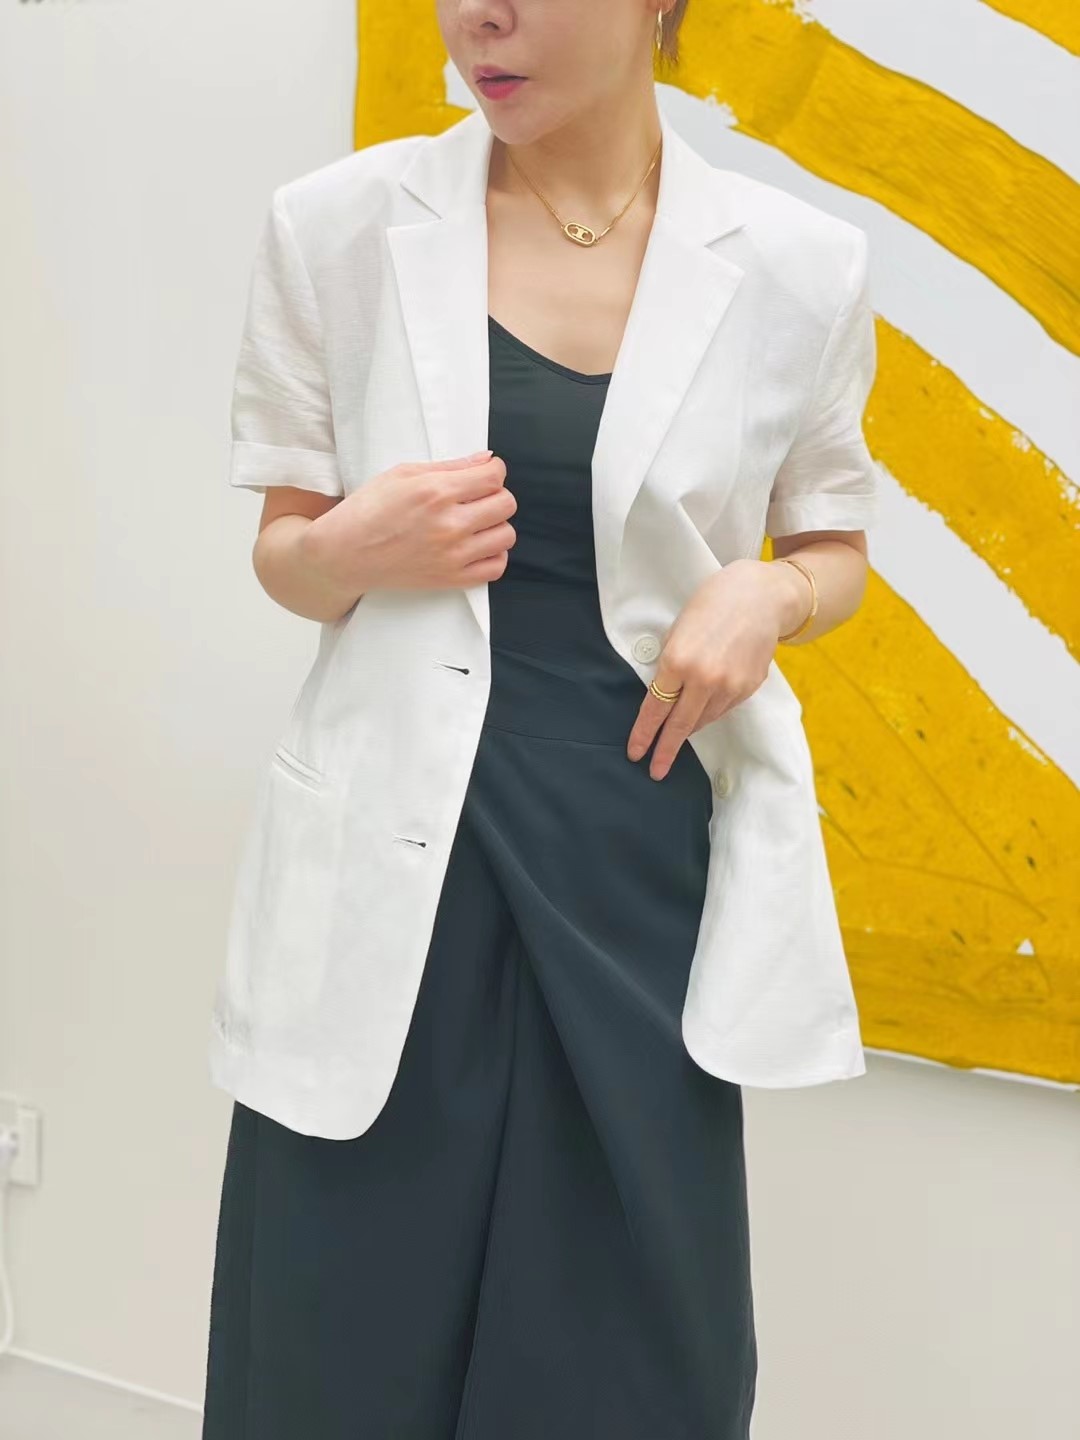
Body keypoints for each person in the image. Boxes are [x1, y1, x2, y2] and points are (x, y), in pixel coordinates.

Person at [201, 2, 881, 1436]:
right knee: (339, 1360)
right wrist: (349, 549)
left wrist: (768, 597)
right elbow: (288, 554)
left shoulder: (800, 268)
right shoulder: (336, 228)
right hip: (398, 874)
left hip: (632, 880)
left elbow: (834, 545)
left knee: (631, 1369)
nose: (480, 18)